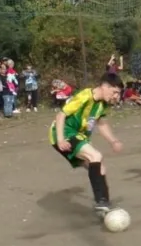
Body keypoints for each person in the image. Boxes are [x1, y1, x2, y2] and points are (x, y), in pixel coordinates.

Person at [49, 73, 125, 215]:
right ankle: (101, 201)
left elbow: (101, 123)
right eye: (115, 92)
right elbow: (61, 115)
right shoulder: (85, 96)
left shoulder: (101, 104)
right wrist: (60, 139)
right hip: (64, 133)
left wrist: (113, 141)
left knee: (100, 168)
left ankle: (105, 206)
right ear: (104, 86)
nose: (116, 97)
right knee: (95, 155)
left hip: (76, 136)